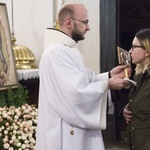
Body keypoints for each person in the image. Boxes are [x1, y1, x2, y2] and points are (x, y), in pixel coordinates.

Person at [35, 3, 130, 150]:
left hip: (75, 130)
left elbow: (85, 81)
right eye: (85, 22)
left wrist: (109, 75)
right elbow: (75, 92)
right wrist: (108, 84)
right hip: (66, 134)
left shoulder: (68, 50)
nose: (88, 27)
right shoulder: (56, 52)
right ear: (68, 22)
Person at [123, 28, 150, 150]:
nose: (130, 51)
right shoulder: (139, 75)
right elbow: (141, 104)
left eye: (134, 47)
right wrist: (125, 110)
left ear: (147, 51)